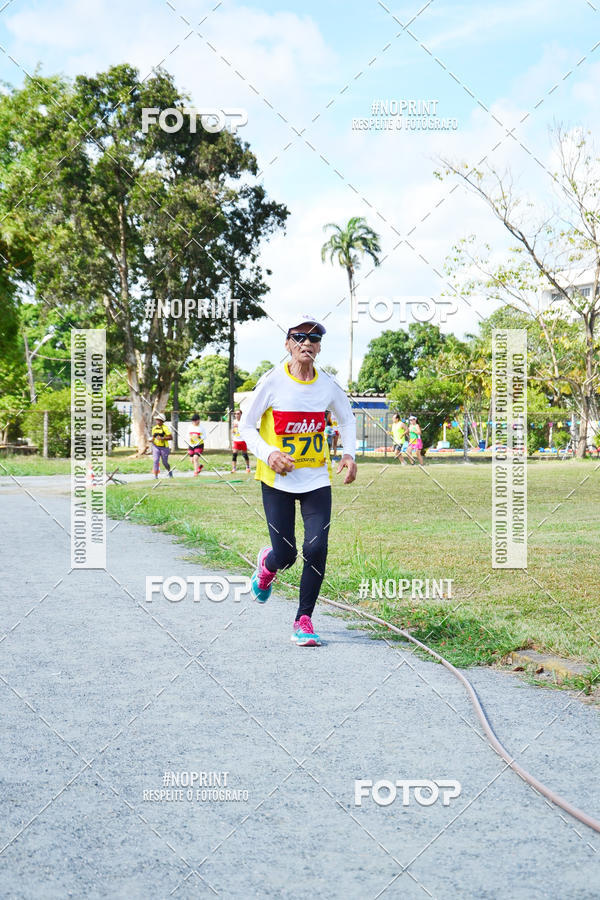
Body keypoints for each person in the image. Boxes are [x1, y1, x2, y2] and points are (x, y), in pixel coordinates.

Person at [238, 314, 357, 647]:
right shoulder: (272, 382)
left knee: (316, 548)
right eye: (300, 337)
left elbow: (346, 420)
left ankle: (303, 619)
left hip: (316, 478)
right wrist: (268, 454)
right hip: (276, 479)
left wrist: (349, 455)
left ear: (319, 347)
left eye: (314, 338)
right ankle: (267, 564)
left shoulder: (328, 384)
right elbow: (246, 427)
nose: (307, 342)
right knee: (287, 554)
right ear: (288, 343)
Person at [151, 412, 173, 479]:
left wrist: (162, 438)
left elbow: (171, 437)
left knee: (165, 462)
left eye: (158, 419)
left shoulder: (165, 428)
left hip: (164, 447)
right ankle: (155, 476)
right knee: (155, 461)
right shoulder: (154, 428)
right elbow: (153, 437)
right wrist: (151, 440)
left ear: (162, 421)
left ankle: (169, 471)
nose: (157, 421)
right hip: (156, 446)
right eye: (156, 419)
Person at [231, 409, 251, 474]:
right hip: (236, 440)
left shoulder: (243, 422)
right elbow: (233, 431)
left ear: (241, 415)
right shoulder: (234, 422)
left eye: (238, 414)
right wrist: (233, 430)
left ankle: (248, 467)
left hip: (242, 440)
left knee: (245, 455)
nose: (236, 415)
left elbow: (246, 430)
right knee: (234, 455)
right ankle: (234, 468)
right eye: (235, 414)